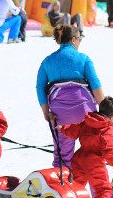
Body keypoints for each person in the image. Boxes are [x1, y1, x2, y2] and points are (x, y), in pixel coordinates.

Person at [35, 24, 105, 169]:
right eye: (80, 39)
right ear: (73, 40)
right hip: (86, 113)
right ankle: (99, 191)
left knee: (63, 156)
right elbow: (96, 85)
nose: (80, 42)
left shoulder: (47, 61)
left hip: (60, 116)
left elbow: (40, 87)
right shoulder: (84, 59)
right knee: (93, 155)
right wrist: (104, 110)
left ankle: (62, 188)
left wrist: (46, 112)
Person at [60, 96, 113, 198]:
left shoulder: (87, 121)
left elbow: (74, 130)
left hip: (79, 158)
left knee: (77, 183)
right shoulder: (106, 127)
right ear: (111, 116)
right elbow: (108, 147)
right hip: (95, 160)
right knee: (102, 185)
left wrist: (62, 128)